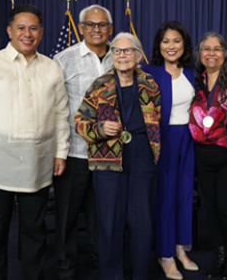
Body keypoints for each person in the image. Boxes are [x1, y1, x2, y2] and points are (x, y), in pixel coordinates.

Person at [0, 4, 70, 280]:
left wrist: (61, 152)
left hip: (39, 162)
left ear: (42, 33)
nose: (27, 33)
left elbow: (61, 115)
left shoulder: (52, 68)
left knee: (34, 229)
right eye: (21, 27)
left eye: (33, 28)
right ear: (9, 30)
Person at [75, 32, 161, 280]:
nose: (122, 55)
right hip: (107, 160)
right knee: (110, 222)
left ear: (137, 55)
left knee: (142, 223)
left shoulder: (149, 83)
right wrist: (100, 130)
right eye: (117, 51)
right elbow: (80, 122)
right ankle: (111, 275)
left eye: (128, 50)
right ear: (112, 55)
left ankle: (140, 274)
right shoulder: (99, 85)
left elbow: (157, 116)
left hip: (143, 156)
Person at [52, 4, 113, 279]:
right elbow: (55, 109)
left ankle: (100, 262)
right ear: (81, 27)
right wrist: (59, 152)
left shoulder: (123, 56)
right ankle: (66, 265)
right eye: (90, 24)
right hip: (74, 151)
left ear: (110, 29)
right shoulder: (64, 59)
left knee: (101, 215)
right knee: (67, 213)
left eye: (101, 25)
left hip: (110, 154)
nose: (96, 29)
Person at [142, 20, 198, 280]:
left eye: (176, 41)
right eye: (166, 41)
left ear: (184, 44)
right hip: (161, 141)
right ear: (159, 45)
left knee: (184, 195)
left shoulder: (190, 72)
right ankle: (165, 255)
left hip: (187, 139)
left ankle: (181, 248)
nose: (171, 46)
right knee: (164, 198)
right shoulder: (149, 72)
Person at [189, 32, 227, 280]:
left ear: (225, 53)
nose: (211, 53)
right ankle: (220, 256)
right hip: (202, 153)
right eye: (206, 49)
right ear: (199, 54)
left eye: (217, 49)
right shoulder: (197, 80)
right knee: (210, 208)